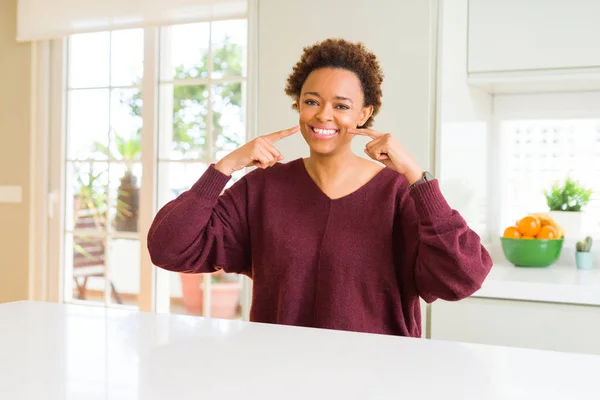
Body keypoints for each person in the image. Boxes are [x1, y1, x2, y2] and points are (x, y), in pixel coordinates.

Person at [147, 38, 493, 337]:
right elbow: (170, 247)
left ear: (363, 114)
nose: (324, 115)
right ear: (298, 104)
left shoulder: (398, 193)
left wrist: (418, 178)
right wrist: (224, 168)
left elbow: (464, 276)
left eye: (341, 106)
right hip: (280, 376)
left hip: (378, 381)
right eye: (312, 101)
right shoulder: (262, 188)